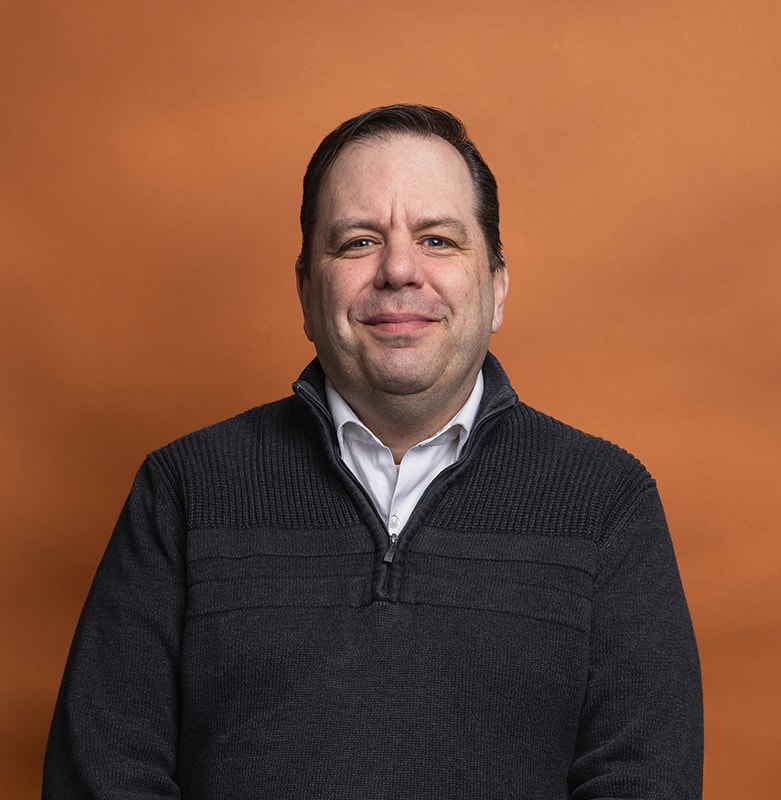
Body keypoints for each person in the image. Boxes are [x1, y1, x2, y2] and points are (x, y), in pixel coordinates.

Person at [43, 104, 703, 799]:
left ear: (498, 286)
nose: (397, 269)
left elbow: (642, 781)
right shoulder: (183, 490)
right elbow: (101, 777)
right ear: (305, 289)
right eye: (358, 241)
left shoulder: (607, 501)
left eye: (439, 240)